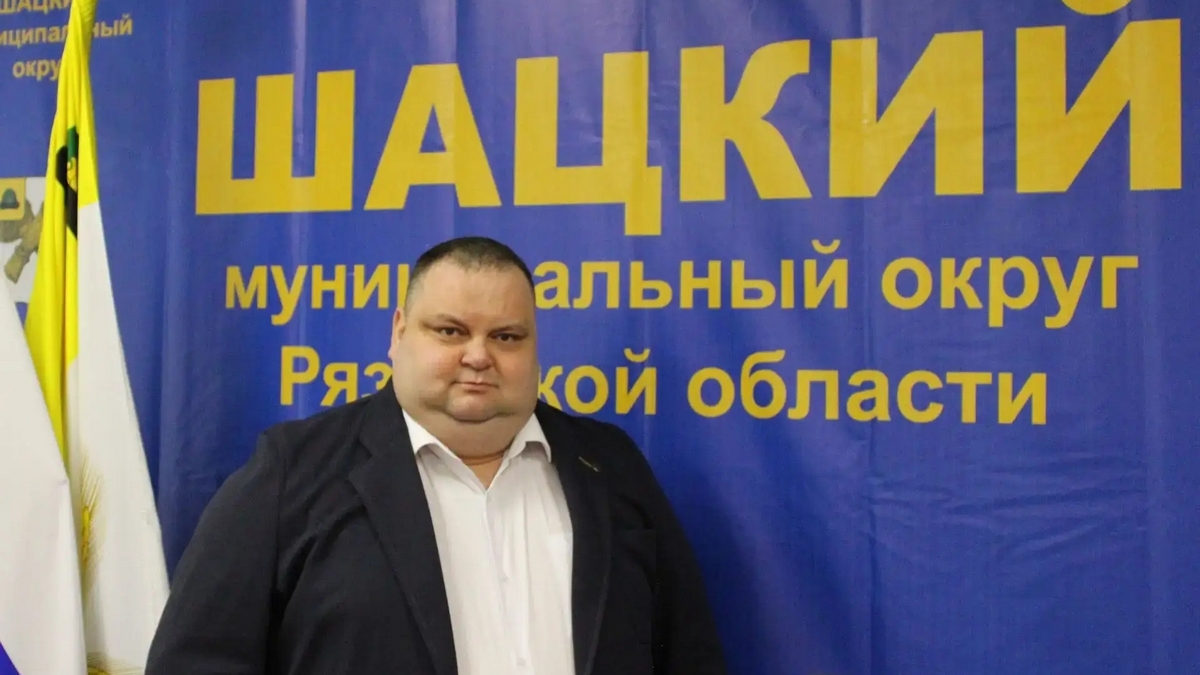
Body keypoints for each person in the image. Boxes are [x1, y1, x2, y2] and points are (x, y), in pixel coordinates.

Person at [145, 236, 727, 675]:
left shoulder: (610, 465)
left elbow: (689, 653)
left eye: (506, 336)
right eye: (450, 331)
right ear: (399, 333)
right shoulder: (291, 471)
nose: (478, 356)